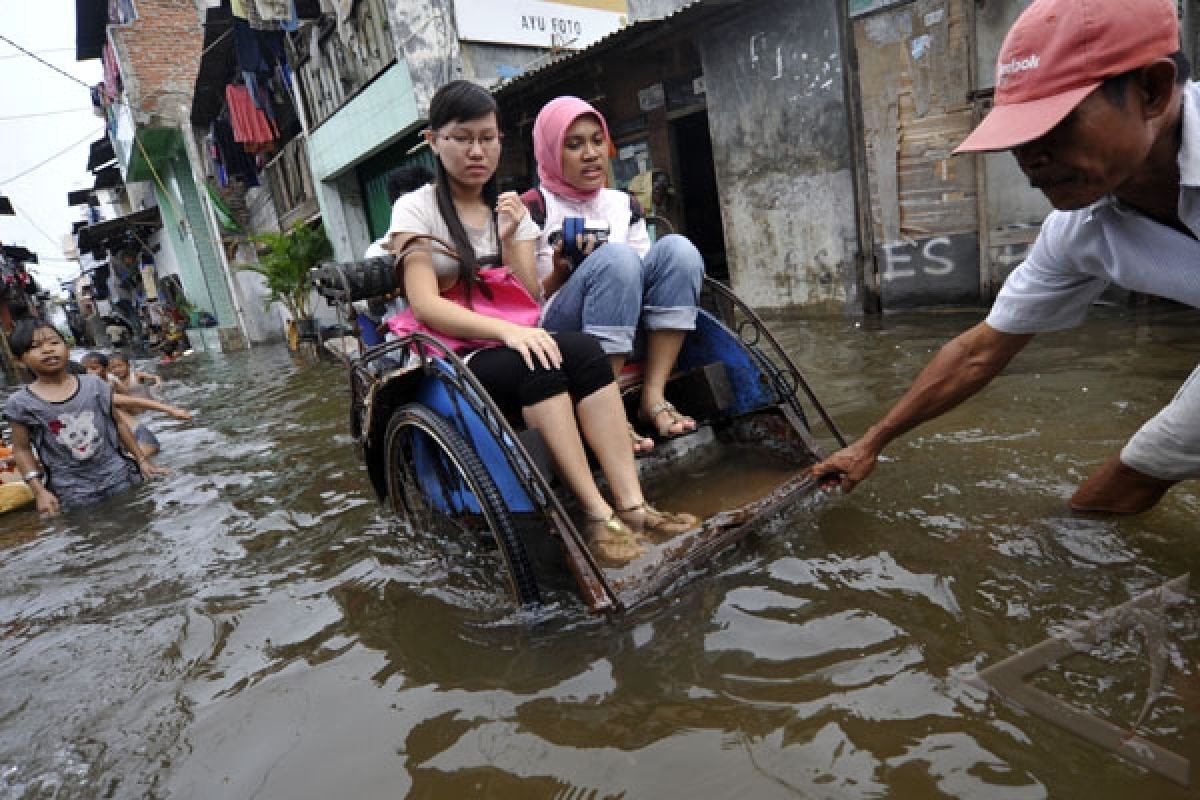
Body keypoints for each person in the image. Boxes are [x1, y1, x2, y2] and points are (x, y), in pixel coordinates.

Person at [812, 0, 1197, 515]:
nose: (1031, 160)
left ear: (1151, 90)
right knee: (1105, 496)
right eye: (1019, 139)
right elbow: (980, 351)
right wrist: (870, 443)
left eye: (1056, 125)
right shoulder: (1077, 230)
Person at [387, 80, 697, 563]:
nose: (477, 151)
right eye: (462, 138)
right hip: (458, 349)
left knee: (587, 352)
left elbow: (529, 296)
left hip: (512, 333)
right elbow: (425, 303)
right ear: (433, 142)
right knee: (539, 362)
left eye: (488, 138)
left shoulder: (509, 206)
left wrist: (511, 238)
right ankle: (598, 514)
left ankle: (634, 505)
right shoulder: (416, 207)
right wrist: (509, 332)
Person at [530, 96, 706, 454]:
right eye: (574, 144)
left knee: (679, 250)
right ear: (550, 150)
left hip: (625, 319)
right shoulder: (533, 208)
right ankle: (606, 413)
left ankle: (652, 396)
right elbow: (524, 300)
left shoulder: (623, 204)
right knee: (617, 258)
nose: (592, 153)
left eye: (597, 140)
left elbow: (643, 272)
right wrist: (563, 271)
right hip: (560, 333)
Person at [4, 321, 167, 514]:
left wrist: (142, 460)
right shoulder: (20, 403)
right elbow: (22, 450)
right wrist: (39, 492)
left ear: (67, 348)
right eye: (35, 347)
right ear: (19, 361)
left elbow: (118, 424)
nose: (48, 350)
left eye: (54, 343)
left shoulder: (94, 386)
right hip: (72, 492)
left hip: (120, 477)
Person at [81, 351, 193, 457]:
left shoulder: (109, 385)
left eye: (94, 368)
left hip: (142, 426)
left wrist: (171, 408)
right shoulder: (94, 388)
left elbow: (131, 398)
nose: (89, 372)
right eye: (84, 370)